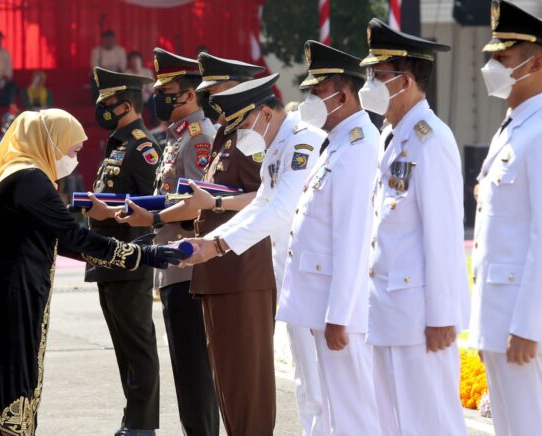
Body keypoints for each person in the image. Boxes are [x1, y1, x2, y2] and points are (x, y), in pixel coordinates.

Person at [0, 109, 184, 436]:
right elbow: (74, 236)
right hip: (6, 301)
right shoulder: (30, 179)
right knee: (0, 391)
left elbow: (62, 239)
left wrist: (131, 252)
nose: (73, 159)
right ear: (50, 142)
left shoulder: (20, 174)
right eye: (72, 150)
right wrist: (144, 254)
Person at [182, 71, 327, 435]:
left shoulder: (303, 140)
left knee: (325, 384)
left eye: (243, 122)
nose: (240, 133)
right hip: (290, 273)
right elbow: (260, 203)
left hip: (319, 275)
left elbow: (279, 207)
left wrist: (215, 245)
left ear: (264, 112)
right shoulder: (276, 144)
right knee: (305, 381)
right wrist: (208, 246)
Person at [468, 2, 542, 435]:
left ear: (535, 63)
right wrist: (489, 327)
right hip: (502, 322)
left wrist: (527, 326)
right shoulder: (513, 128)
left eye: (502, 58)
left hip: (528, 329)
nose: (491, 66)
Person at [360, 19, 470, 435]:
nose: (370, 82)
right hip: (388, 312)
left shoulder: (431, 139)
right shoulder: (391, 135)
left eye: (378, 75)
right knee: (392, 426)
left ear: (404, 80)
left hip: (420, 318)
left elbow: (442, 234)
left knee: (431, 424)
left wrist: (442, 315)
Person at [276, 40, 381, 435]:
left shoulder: (358, 147)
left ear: (345, 91)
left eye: (319, 91)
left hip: (342, 313)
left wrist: (338, 315)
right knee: (337, 412)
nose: (311, 100)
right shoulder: (335, 142)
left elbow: (353, 238)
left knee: (355, 413)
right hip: (322, 307)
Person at [113, 48, 220, 436]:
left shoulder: (198, 138)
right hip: (174, 269)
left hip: (190, 269)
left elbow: (197, 207)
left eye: (168, 90)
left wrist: (153, 217)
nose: (159, 97)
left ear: (189, 96)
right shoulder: (177, 139)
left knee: (196, 377)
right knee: (186, 374)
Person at [81, 67, 163, 436]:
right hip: (108, 261)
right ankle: (132, 419)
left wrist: (109, 212)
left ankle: (142, 425)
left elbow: (153, 208)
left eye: (107, 102)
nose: (102, 108)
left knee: (138, 344)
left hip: (130, 260)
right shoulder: (119, 144)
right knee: (124, 347)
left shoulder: (143, 146)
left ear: (126, 104)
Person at [195, 52, 264, 126]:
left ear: (233, 88)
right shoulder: (225, 119)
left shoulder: (259, 117)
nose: (210, 97)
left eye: (212, 90)